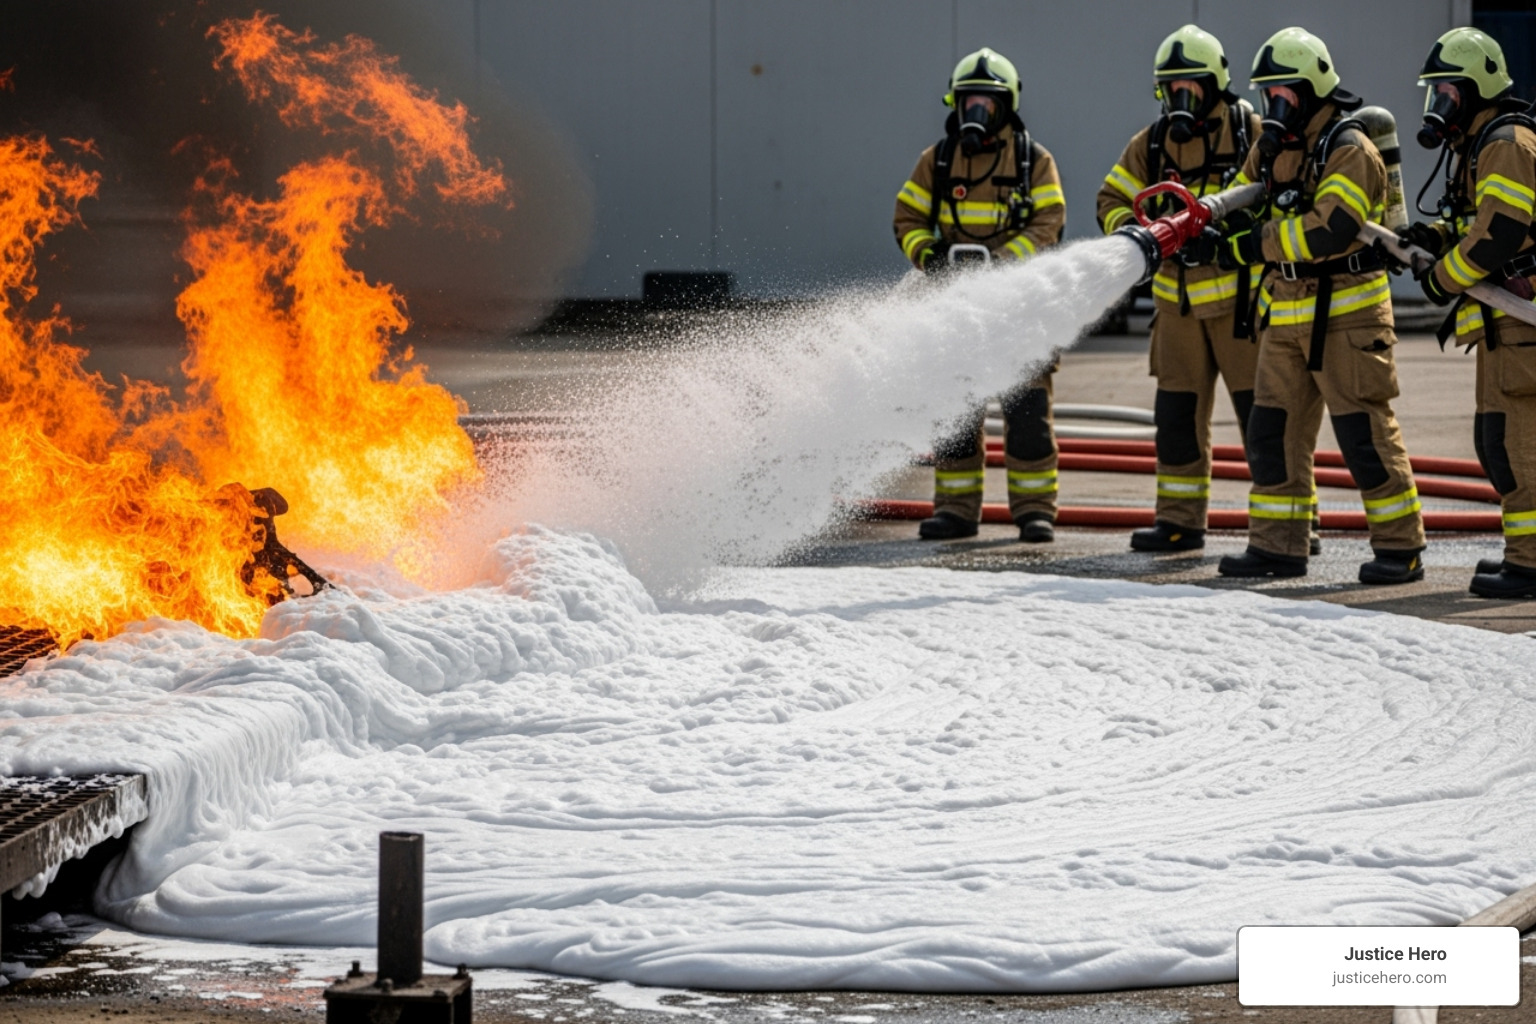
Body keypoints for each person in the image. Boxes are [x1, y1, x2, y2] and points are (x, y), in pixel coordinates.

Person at [1213, 26, 1426, 584]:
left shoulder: (1350, 148)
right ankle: (1277, 547)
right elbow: (1240, 203)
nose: (1273, 105)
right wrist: (1212, 231)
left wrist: (1254, 244)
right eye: (1267, 95)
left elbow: (1332, 228)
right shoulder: (1272, 147)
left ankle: (1400, 548)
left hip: (1348, 316)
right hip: (1285, 313)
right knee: (1271, 434)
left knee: (1364, 437)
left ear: (1311, 90)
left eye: (1283, 94)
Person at [1096, 25, 1264, 553]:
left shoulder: (1252, 132)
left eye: (1190, 86)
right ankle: (1179, 522)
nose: (1180, 98)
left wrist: (1227, 239)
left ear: (1216, 85)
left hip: (1241, 308)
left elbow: (1278, 196)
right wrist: (1144, 237)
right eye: (1171, 88)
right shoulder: (1150, 144)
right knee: (1176, 422)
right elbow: (1110, 200)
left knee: (1265, 421)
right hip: (1177, 311)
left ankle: (1290, 525)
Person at [893, 47, 1066, 542]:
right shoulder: (937, 161)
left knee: (1028, 417)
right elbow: (907, 218)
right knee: (954, 416)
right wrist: (930, 256)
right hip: (956, 310)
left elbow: (1050, 223)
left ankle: (1035, 512)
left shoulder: (1034, 161)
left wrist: (1002, 264)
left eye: (986, 104)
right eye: (969, 102)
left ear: (1006, 106)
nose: (976, 112)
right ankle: (955, 511)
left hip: (1020, 311)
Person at [1404, 27, 1536, 598]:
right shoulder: (1480, 143)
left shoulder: (1505, 141)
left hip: (1522, 323)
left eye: (1447, 92)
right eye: (1434, 93)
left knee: (1521, 448)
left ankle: (1530, 565)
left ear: (1477, 87)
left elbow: (1500, 233)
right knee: (1497, 443)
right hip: (1503, 325)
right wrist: (1434, 237)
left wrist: (1441, 279)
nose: (1438, 104)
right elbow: (1476, 222)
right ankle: (1522, 554)